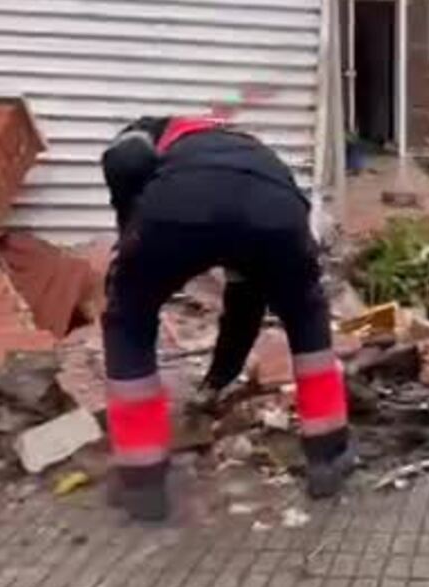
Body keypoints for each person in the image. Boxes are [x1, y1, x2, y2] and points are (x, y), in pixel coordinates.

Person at [99, 112, 353, 522]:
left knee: (128, 321)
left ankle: (143, 482)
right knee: (306, 314)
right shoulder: (244, 146)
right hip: (277, 213)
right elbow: (245, 304)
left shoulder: (149, 131)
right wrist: (218, 380)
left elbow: (124, 160)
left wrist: (129, 232)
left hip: (179, 209)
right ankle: (328, 458)